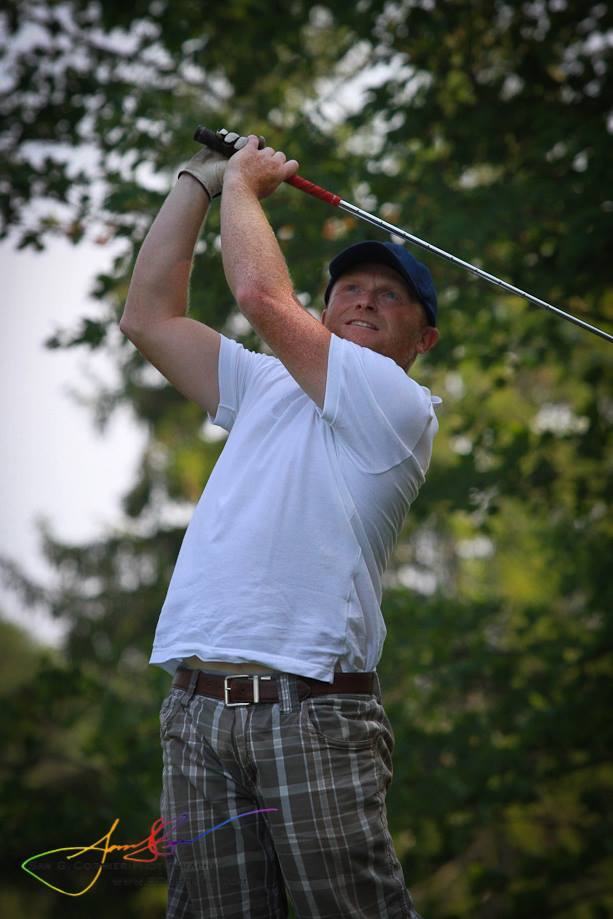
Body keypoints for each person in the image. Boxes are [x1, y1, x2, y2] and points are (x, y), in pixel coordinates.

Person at [120, 129, 441, 918]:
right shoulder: (265, 384)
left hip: (313, 713)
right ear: (326, 309)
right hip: (197, 709)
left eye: (388, 295)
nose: (362, 299)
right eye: (349, 288)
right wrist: (197, 183)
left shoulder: (397, 404)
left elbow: (263, 298)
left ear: (422, 339)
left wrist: (244, 183)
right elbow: (148, 317)